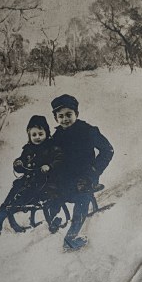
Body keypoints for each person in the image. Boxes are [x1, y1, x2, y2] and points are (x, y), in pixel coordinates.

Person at [0, 115, 63, 236]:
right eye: (34, 135)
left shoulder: (52, 147)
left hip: (45, 183)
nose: (38, 137)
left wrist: (49, 166)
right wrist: (18, 164)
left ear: (46, 133)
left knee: (17, 198)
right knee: (12, 195)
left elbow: (60, 159)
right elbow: (22, 164)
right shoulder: (28, 149)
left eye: (41, 134)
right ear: (29, 135)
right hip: (28, 181)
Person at [51, 94, 114, 250]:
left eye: (69, 115)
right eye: (61, 116)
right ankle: (54, 219)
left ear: (76, 114)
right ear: (56, 118)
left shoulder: (88, 131)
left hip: (86, 176)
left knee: (82, 195)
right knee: (51, 192)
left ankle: (71, 237)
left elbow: (108, 150)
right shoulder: (57, 135)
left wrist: (93, 171)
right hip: (65, 178)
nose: (65, 119)